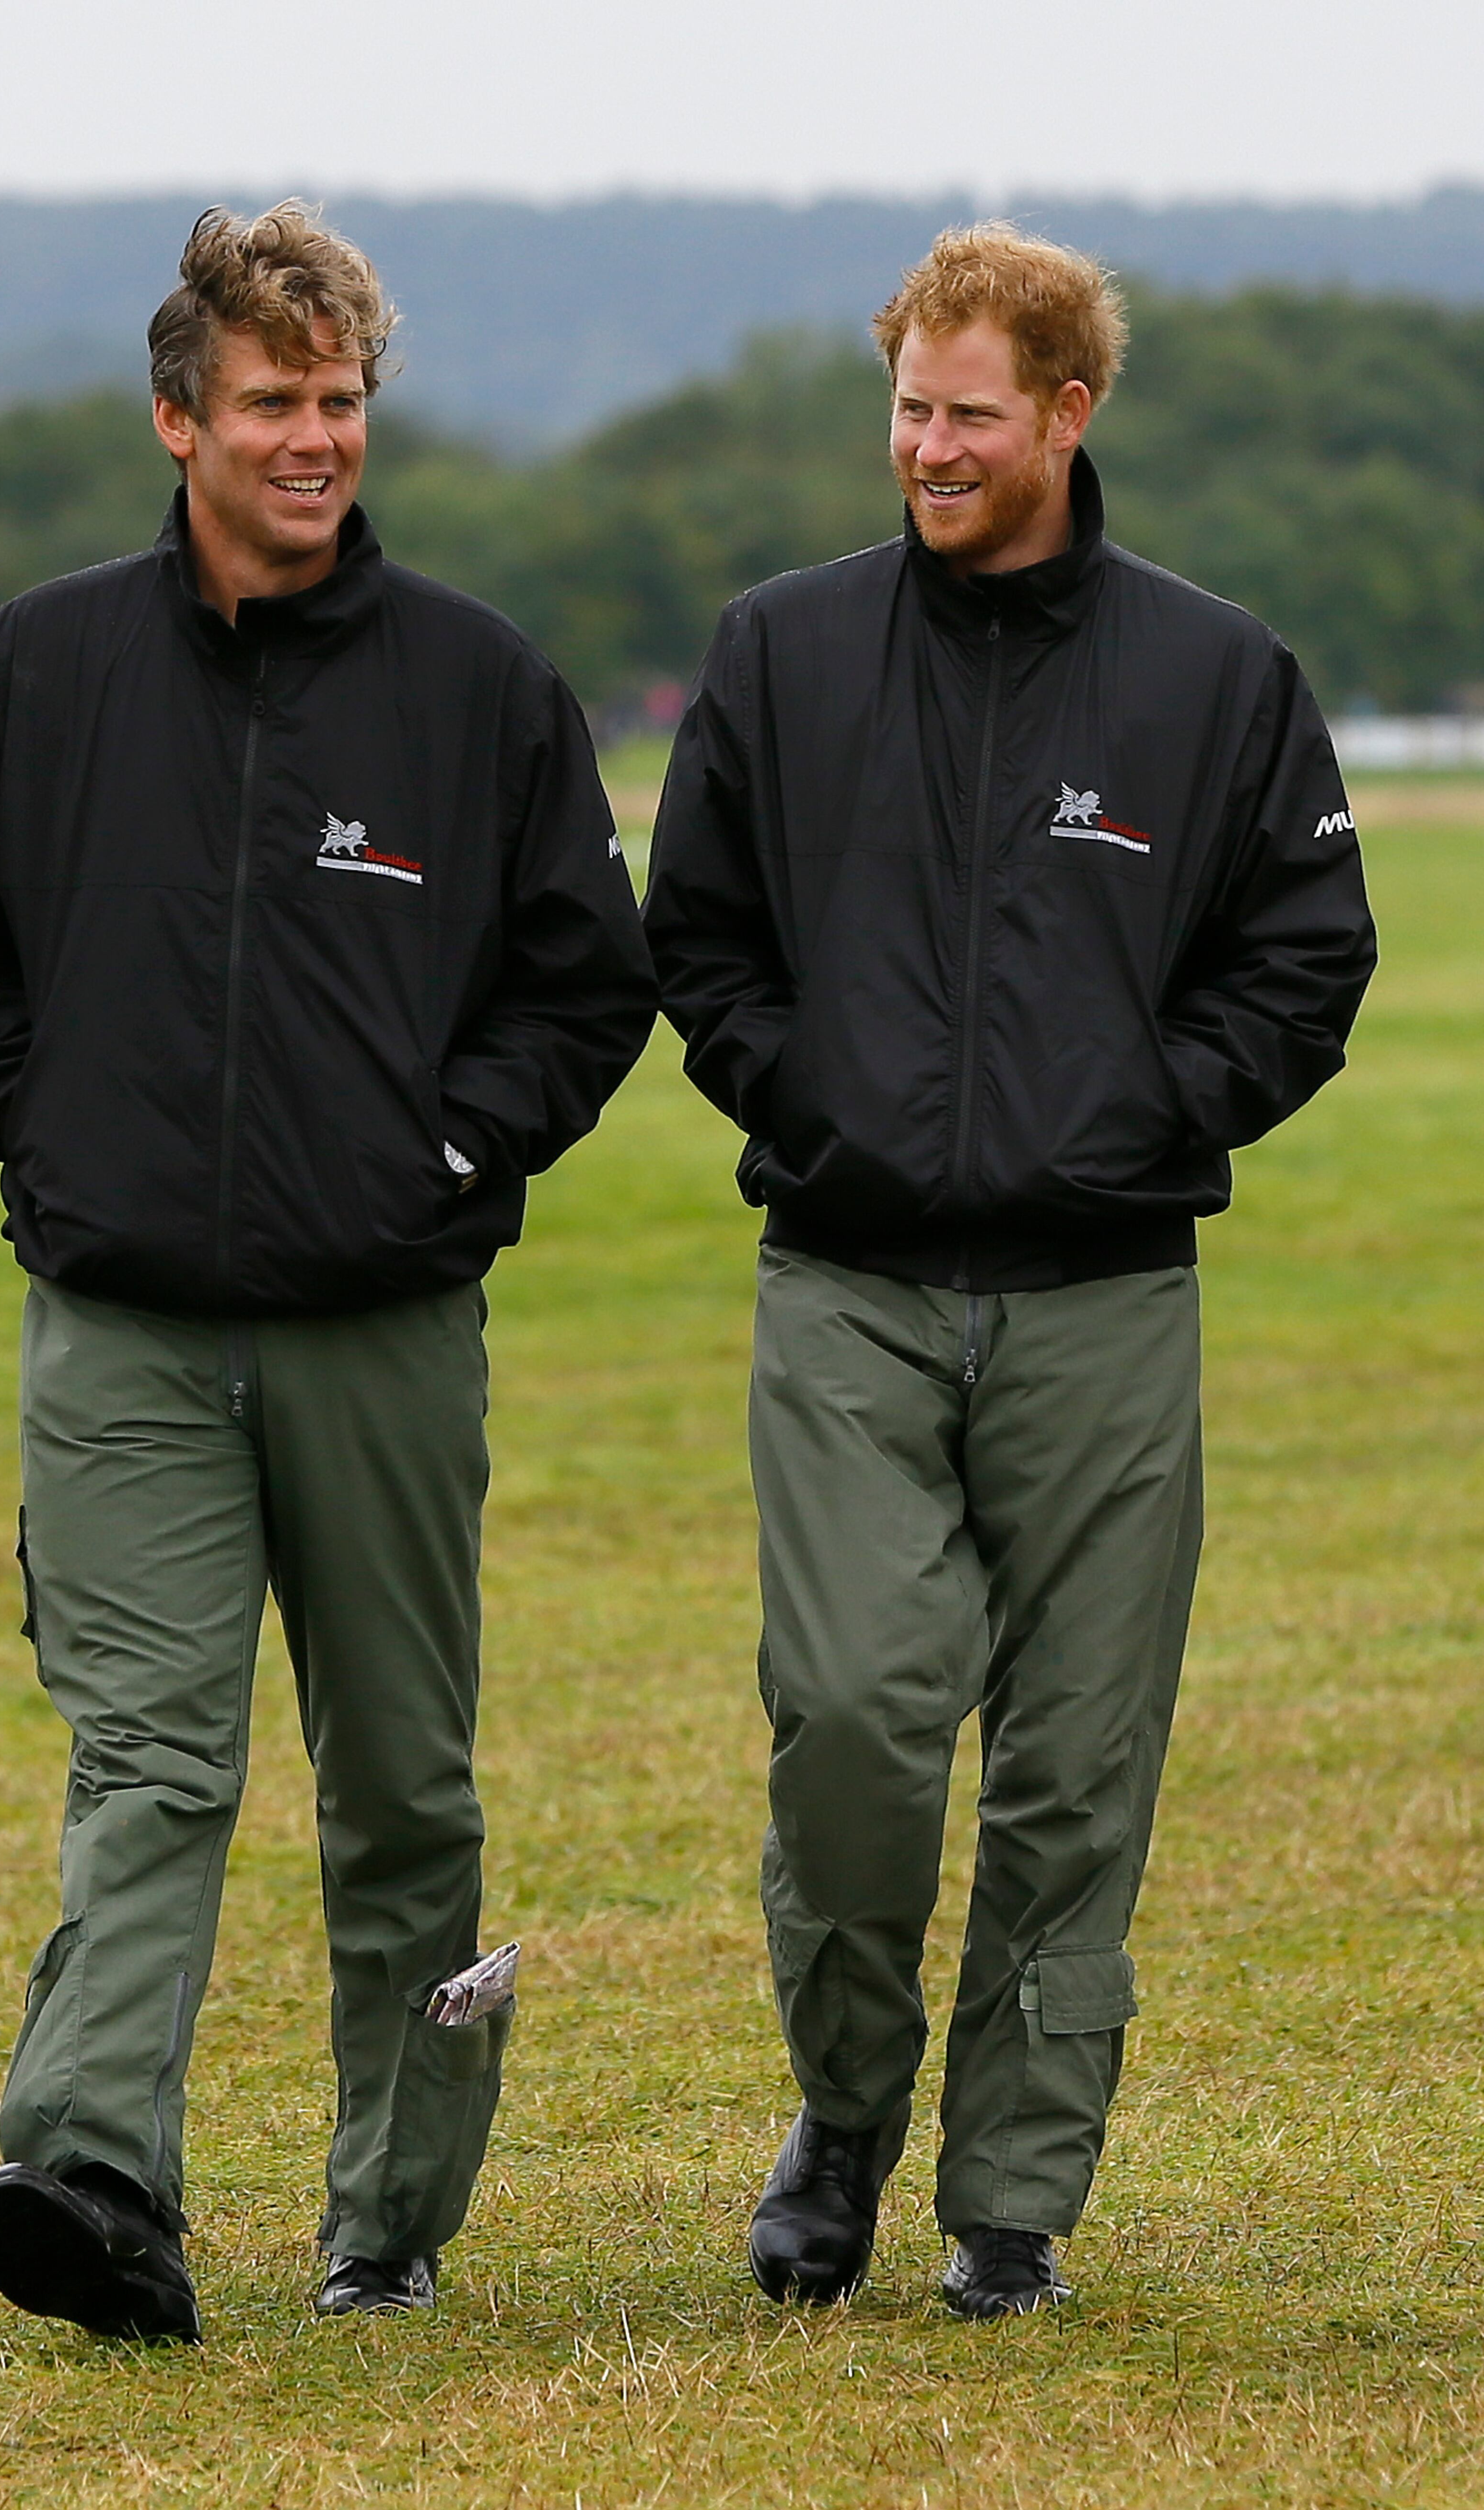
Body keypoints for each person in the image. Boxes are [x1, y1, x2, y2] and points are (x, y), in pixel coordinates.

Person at [0, 202, 655, 2340]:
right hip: (121, 1323)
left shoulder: (484, 685)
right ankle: (95, 2175)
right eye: (272, 403)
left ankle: (391, 2216)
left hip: (385, 1327)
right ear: (176, 418)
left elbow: (587, 992)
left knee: (406, 1779)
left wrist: (442, 1151)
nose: (315, 439)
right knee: (154, 1760)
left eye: (342, 402)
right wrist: (56, 1149)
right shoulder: (40, 667)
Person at [643, 224, 1375, 2320]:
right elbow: (695, 935)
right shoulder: (780, 657)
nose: (930, 448)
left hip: (1106, 1298)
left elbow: (1309, 954)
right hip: (848, 1281)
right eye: (907, 409)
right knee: (860, 1718)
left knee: (1078, 1758)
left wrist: (1149, 1118)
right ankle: (845, 2117)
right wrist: (820, 1106)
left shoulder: (1217, 678)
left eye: (970, 414)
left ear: (1067, 411)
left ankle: (1013, 2203)